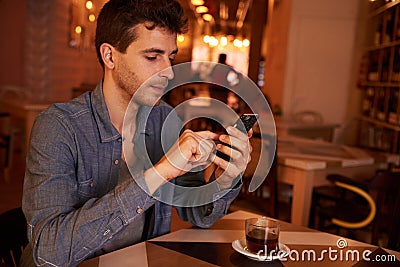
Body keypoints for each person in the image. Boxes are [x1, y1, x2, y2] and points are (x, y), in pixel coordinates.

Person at [20, 0, 252, 266]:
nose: (168, 71)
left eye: (171, 57)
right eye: (152, 57)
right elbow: (47, 252)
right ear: (110, 56)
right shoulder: (58, 127)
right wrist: (161, 172)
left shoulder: (166, 119)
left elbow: (200, 216)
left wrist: (226, 177)